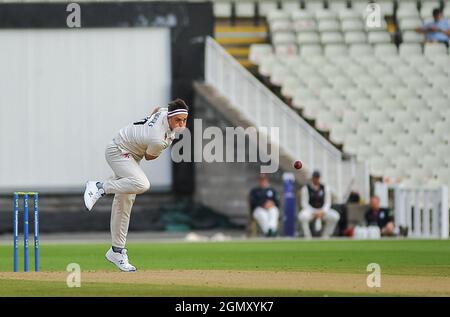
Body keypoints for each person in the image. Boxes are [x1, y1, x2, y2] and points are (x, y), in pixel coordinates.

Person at [83, 99, 189, 271]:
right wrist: (163, 142)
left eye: (184, 120)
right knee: (141, 184)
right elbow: (149, 156)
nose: (181, 124)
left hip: (129, 155)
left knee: (125, 201)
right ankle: (100, 187)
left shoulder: (164, 112)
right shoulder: (157, 139)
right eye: (178, 120)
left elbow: (157, 109)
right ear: (169, 118)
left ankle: (116, 251)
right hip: (118, 151)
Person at [298, 170, 340, 238]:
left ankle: (326, 235)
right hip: (311, 211)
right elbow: (304, 203)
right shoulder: (306, 188)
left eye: (317, 177)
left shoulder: (325, 188)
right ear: (312, 178)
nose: (316, 179)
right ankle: (307, 236)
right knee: (302, 216)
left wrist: (322, 212)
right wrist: (314, 212)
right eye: (315, 177)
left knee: (335, 216)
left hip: (322, 211)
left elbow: (327, 202)